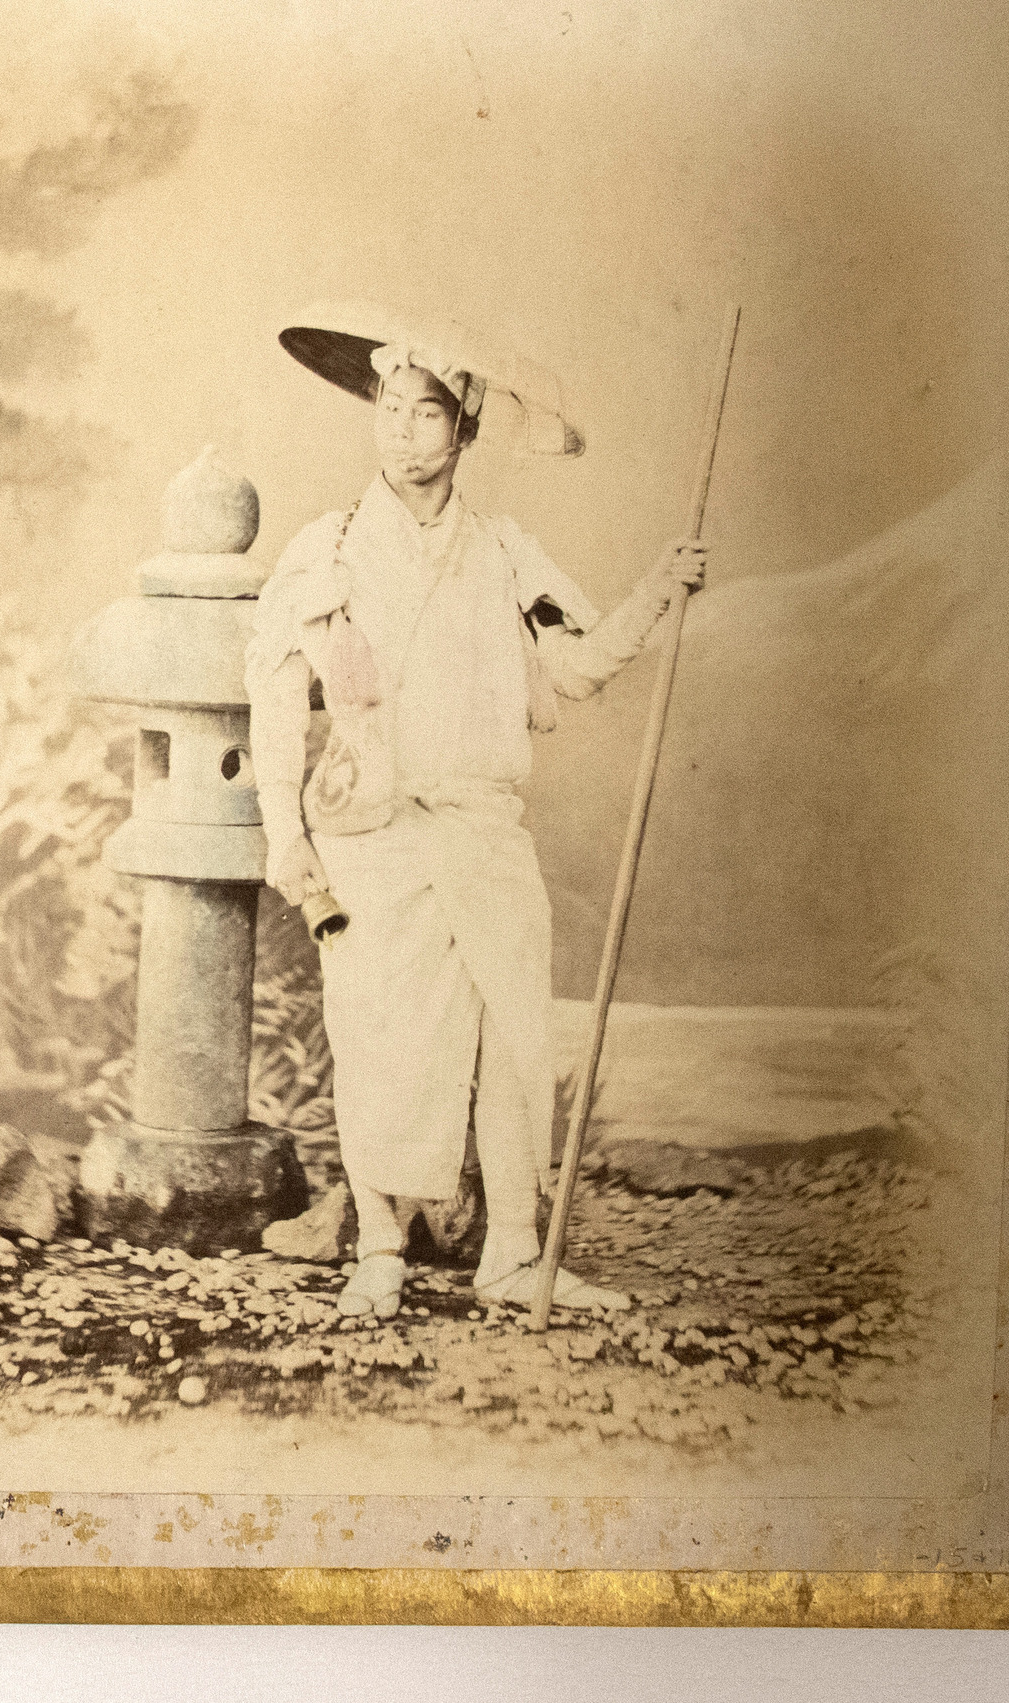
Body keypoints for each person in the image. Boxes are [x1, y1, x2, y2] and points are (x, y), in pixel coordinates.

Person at [245, 318, 706, 1321]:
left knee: (513, 1037)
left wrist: (654, 597)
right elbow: (276, 698)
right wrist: (285, 830)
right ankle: (377, 1247)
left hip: (483, 829)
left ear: (467, 430)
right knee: (375, 1036)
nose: (406, 435)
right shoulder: (326, 549)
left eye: (431, 415)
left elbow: (575, 665)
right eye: (392, 411)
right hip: (370, 830)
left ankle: (510, 1251)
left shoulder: (503, 552)